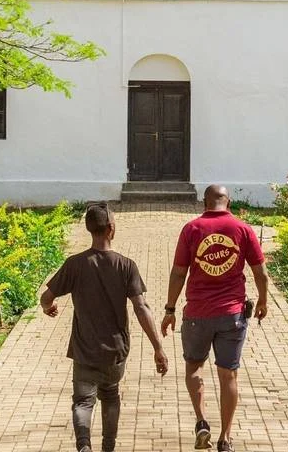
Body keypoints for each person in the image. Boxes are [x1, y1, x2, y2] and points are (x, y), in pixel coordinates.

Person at [41, 203, 169, 452]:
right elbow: (141, 307)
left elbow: (46, 298)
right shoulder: (126, 266)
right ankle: (108, 447)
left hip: (84, 349)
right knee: (110, 396)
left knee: (82, 401)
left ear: (89, 229)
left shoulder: (75, 264)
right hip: (115, 350)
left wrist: (49, 307)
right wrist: (158, 347)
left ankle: (83, 446)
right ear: (111, 228)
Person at [160, 184, 269, 452]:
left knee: (193, 367)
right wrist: (263, 301)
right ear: (228, 203)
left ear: (204, 203)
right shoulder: (243, 229)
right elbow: (261, 273)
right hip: (232, 315)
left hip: (197, 314)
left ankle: (201, 421)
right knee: (228, 375)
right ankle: (225, 438)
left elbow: (178, 273)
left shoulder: (192, 229)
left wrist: (170, 309)